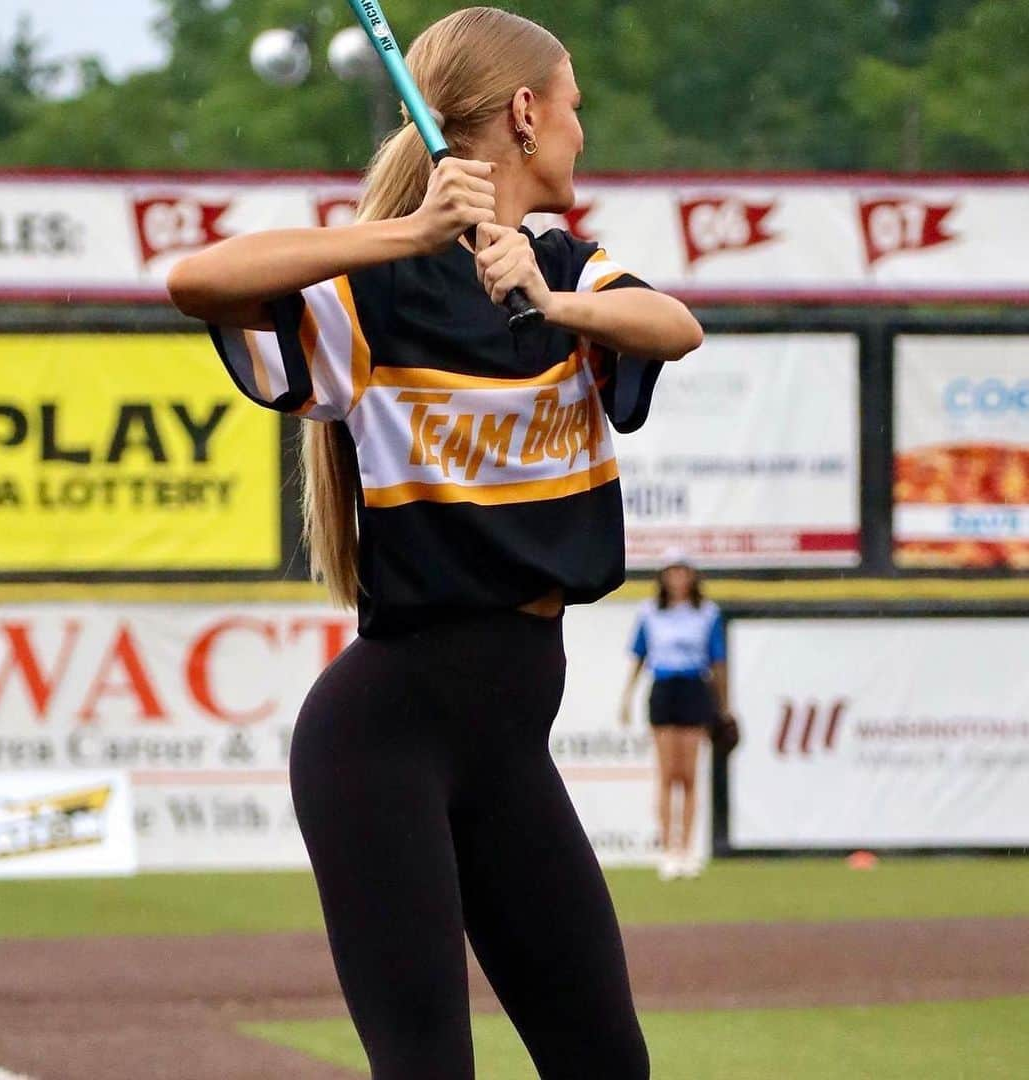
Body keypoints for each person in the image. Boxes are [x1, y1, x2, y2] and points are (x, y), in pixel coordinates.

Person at [167, 8, 702, 1078]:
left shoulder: (569, 271)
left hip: (507, 745)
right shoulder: (382, 289)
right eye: (573, 108)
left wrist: (549, 301)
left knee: (608, 1064)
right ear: (522, 113)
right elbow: (197, 281)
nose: (581, 133)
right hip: (383, 743)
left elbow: (676, 327)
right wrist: (406, 235)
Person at [619, 552, 728, 881]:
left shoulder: (707, 613)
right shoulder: (650, 613)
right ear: (663, 576)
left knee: (689, 775)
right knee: (667, 774)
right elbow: (639, 657)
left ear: (693, 576)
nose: (678, 578)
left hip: (694, 687)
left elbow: (718, 662)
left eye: (683, 570)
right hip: (664, 687)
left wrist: (723, 705)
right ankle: (668, 850)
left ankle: (687, 849)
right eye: (671, 571)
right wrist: (627, 697)